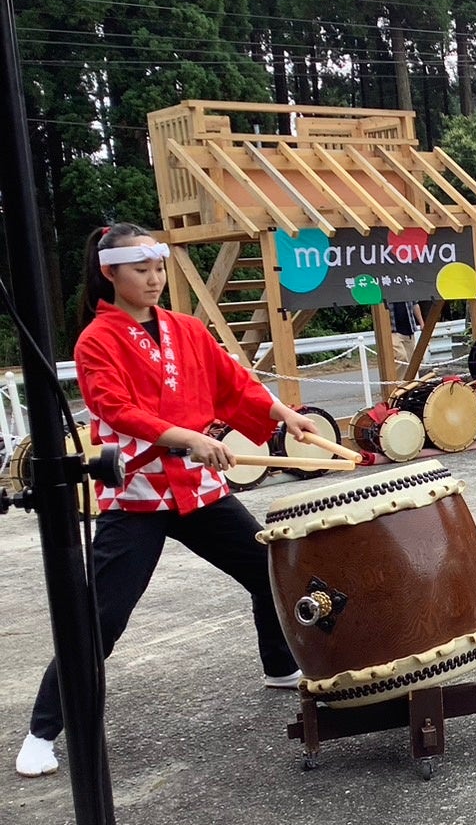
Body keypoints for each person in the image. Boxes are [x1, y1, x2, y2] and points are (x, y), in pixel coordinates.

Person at [15, 224, 317, 779]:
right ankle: (42, 729)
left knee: (269, 569)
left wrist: (283, 415)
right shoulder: (95, 341)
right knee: (102, 616)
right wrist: (190, 438)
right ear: (109, 272)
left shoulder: (186, 329)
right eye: (141, 270)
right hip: (138, 495)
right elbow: (116, 410)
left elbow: (234, 383)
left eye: (158, 269)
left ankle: (279, 664)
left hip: (199, 491)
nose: (154, 280)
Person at [389, 299, 424, 366]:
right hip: (393, 330)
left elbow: (415, 304)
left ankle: (407, 376)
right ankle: (398, 377)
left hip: (409, 330)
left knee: (410, 362)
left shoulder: (407, 289)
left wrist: (421, 323)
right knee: (401, 356)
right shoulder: (387, 290)